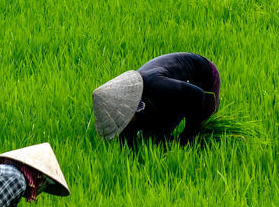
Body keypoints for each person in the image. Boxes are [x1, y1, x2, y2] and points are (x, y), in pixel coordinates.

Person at [92, 52, 220, 144]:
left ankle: (190, 143)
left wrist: (188, 136)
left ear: (129, 107)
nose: (121, 120)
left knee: (196, 124)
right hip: (167, 88)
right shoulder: (137, 98)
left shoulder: (156, 85)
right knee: (153, 137)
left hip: (204, 78)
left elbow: (197, 95)